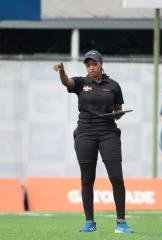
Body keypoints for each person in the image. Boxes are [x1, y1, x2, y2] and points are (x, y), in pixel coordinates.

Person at [53, 50, 134, 233]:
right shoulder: (81, 83)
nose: (91, 68)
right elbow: (67, 82)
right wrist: (61, 71)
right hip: (85, 134)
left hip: (108, 133)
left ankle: (121, 222)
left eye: (94, 64)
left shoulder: (113, 85)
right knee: (87, 179)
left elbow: (118, 110)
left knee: (116, 178)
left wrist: (118, 115)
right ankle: (90, 223)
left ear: (101, 64)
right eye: (88, 65)